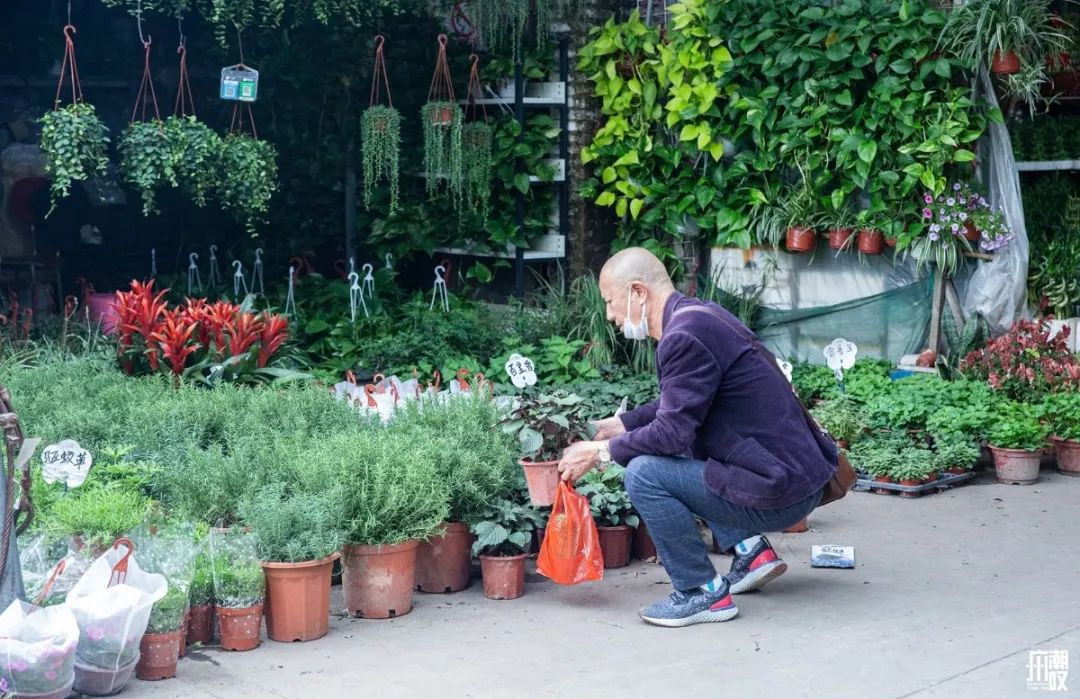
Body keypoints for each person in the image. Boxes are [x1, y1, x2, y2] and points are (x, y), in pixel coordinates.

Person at [557, 248, 838, 628]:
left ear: (638, 292)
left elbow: (672, 432)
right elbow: (682, 405)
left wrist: (601, 452)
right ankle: (750, 551)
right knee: (679, 441)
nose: (609, 315)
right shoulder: (698, 316)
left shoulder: (683, 337)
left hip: (780, 488)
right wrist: (621, 424)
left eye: (610, 301)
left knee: (644, 473)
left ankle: (700, 591)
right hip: (793, 473)